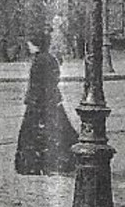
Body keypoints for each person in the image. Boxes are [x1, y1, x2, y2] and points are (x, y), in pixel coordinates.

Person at [13, 30, 78, 175]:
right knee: (61, 129)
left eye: (30, 44)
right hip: (52, 99)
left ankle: (33, 164)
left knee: (33, 133)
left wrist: (31, 99)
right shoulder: (50, 58)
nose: (28, 47)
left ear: (36, 45)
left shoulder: (38, 61)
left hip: (39, 102)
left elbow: (36, 84)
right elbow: (55, 78)